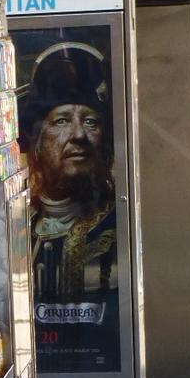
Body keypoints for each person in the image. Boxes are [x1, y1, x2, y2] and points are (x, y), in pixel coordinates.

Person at [21, 42, 118, 321]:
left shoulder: (119, 221)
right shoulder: (14, 222)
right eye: (62, 121)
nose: (78, 135)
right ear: (37, 140)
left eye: (91, 122)